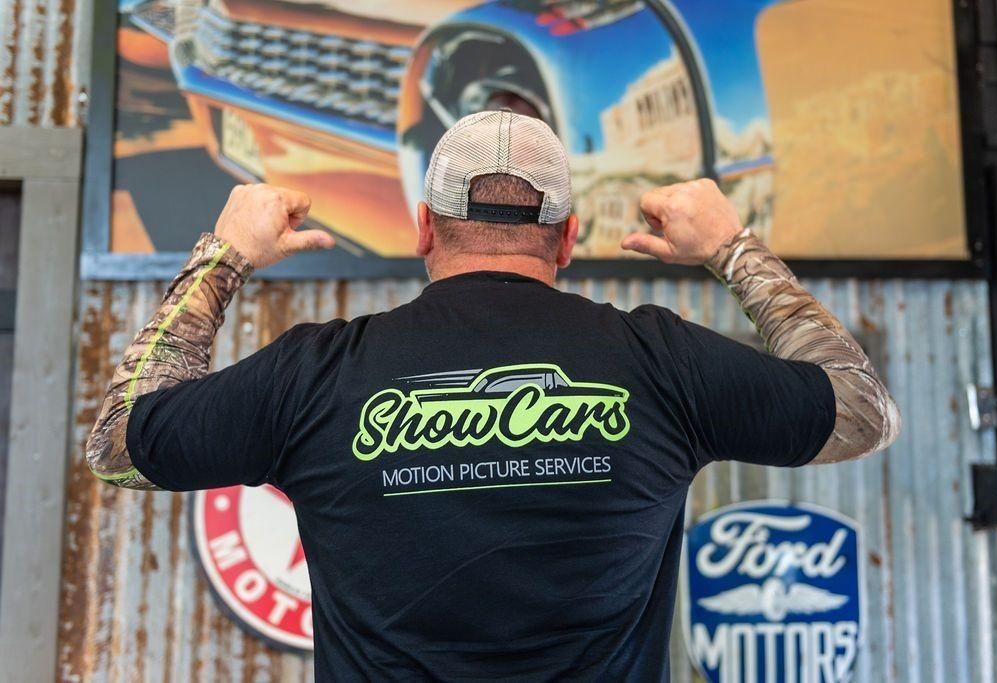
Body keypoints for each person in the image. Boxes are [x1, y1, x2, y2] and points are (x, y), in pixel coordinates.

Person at [86, 110, 899, 680]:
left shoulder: (316, 373)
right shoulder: (662, 361)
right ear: (568, 237)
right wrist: (731, 244)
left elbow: (119, 441)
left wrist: (223, 255)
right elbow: (860, 410)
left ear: (423, 229)